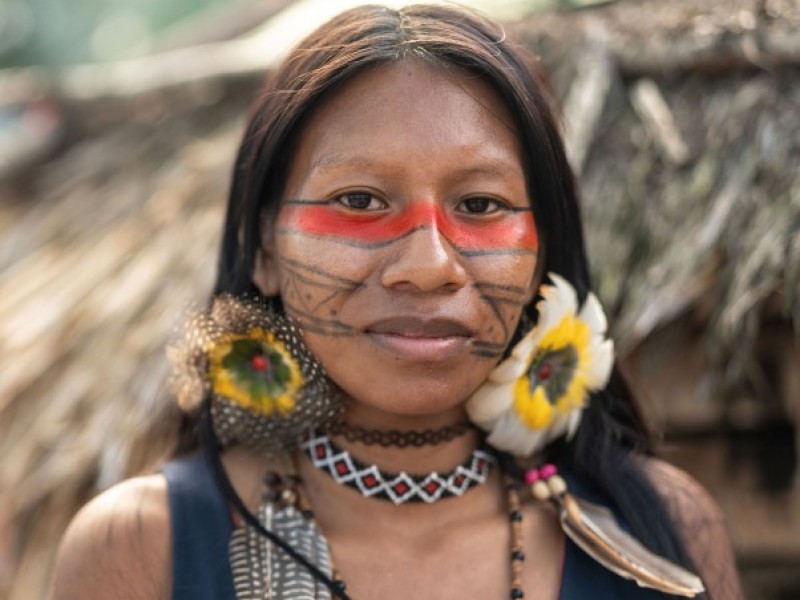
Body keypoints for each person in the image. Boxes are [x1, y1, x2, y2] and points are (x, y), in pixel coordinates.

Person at [50, 4, 743, 599]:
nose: (428, 267)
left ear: (545, 254)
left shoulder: (664, 528)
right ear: (265, 249)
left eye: (480, 204)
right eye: (358, 201)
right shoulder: (142, 548)